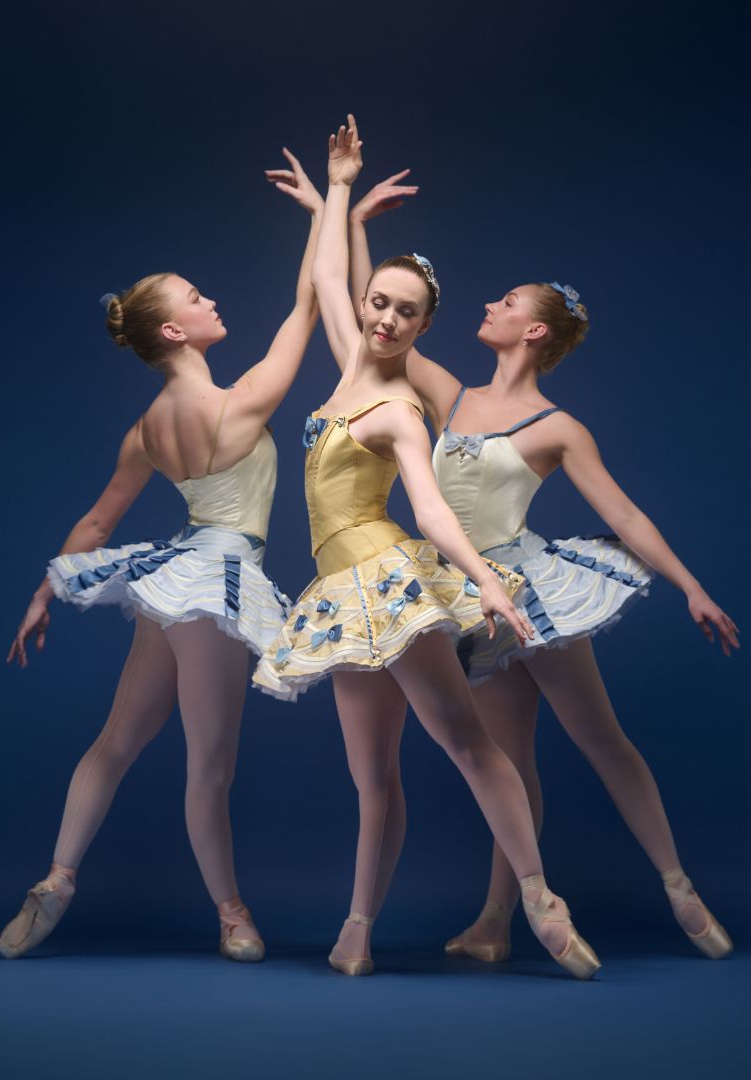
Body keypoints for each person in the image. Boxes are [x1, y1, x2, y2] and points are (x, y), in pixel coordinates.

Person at [332, 162, 743, 961]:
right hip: (465, 596)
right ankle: (495, 923)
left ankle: (679, 888)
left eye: (507, 304)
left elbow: (622, 513)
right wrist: (356, 223)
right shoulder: (448, 395)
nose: (488, 305)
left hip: (530, 588)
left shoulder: (559, 427)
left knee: (602, 740)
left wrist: (691, 586)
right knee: (507, 761)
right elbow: (373, 311)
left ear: (535, 333)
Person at [254, 116, 600, 979]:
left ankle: (537, 896)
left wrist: (487, 582)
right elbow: (331, 274)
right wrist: (336, 191)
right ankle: (358, 929)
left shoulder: (400, 411)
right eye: (381, 303)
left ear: (420, 327)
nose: (385, 318)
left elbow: (432, 510)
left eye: (406, 313)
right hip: (341, 590)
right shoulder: (343, 369)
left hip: (387, 578)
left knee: (467, 744)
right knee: (371, 776)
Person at [0, 162, 324, 962]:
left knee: (116, 741)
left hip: (171, 580)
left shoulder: (147, 427)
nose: (211, 300)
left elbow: (99, 519)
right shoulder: (239, 403)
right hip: (211, 586)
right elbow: (310, 304)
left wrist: (45, 592)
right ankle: (233, 915)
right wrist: (326, 208)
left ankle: (59, 878)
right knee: (208, 765)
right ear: (175, 333)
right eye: (195, 297)